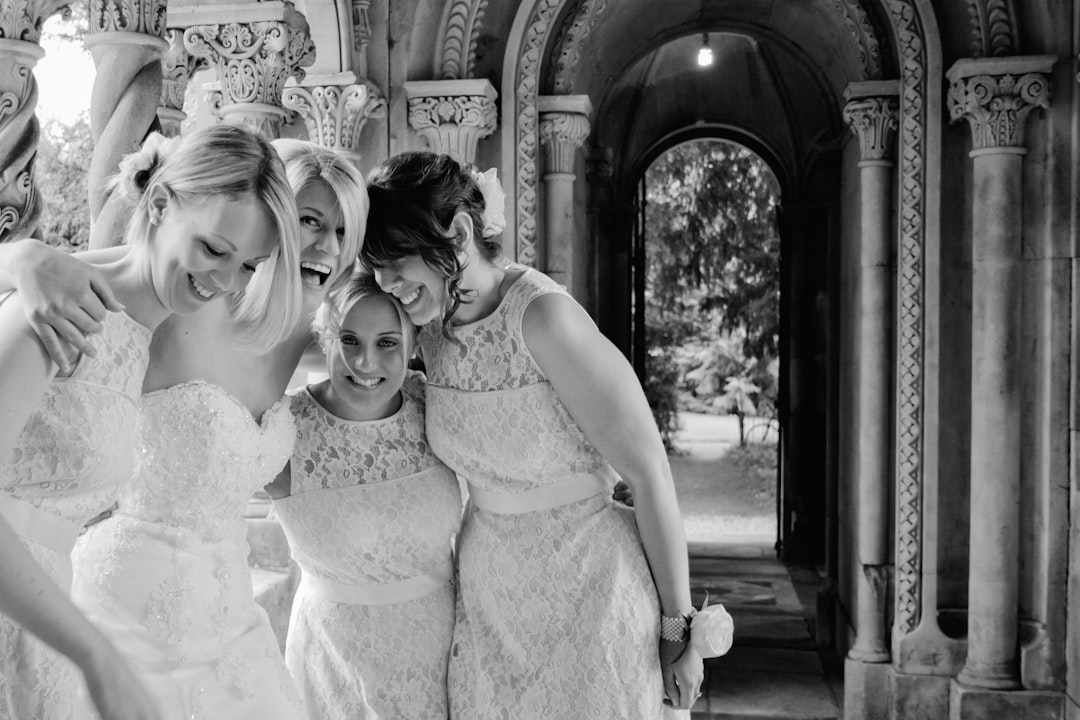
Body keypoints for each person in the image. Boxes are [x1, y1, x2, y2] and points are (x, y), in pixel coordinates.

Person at [0, 139, 365, 720]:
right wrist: (20, 257)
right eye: (215, 249)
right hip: (92, 614)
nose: (225, 279)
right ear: (162, 204)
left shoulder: (178, 317)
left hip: (91, 621)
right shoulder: (78, 310)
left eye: (247, 263)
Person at [360, 152, 705, 719]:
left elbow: (648, 471)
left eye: (396, 259)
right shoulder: (428, 333)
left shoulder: (544, 318)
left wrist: (678, 626)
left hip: (590, 595)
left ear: (461, 232)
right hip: (490, 608)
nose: (386, 283)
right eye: (376, 266)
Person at [265, 271, 461, 720]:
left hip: (441, 661)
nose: (365, 362)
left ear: (413, 344)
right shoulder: (283, 426)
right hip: (330, 667)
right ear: (323, 338)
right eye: (349, 340)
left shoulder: (437, 406)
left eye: (387, 343)